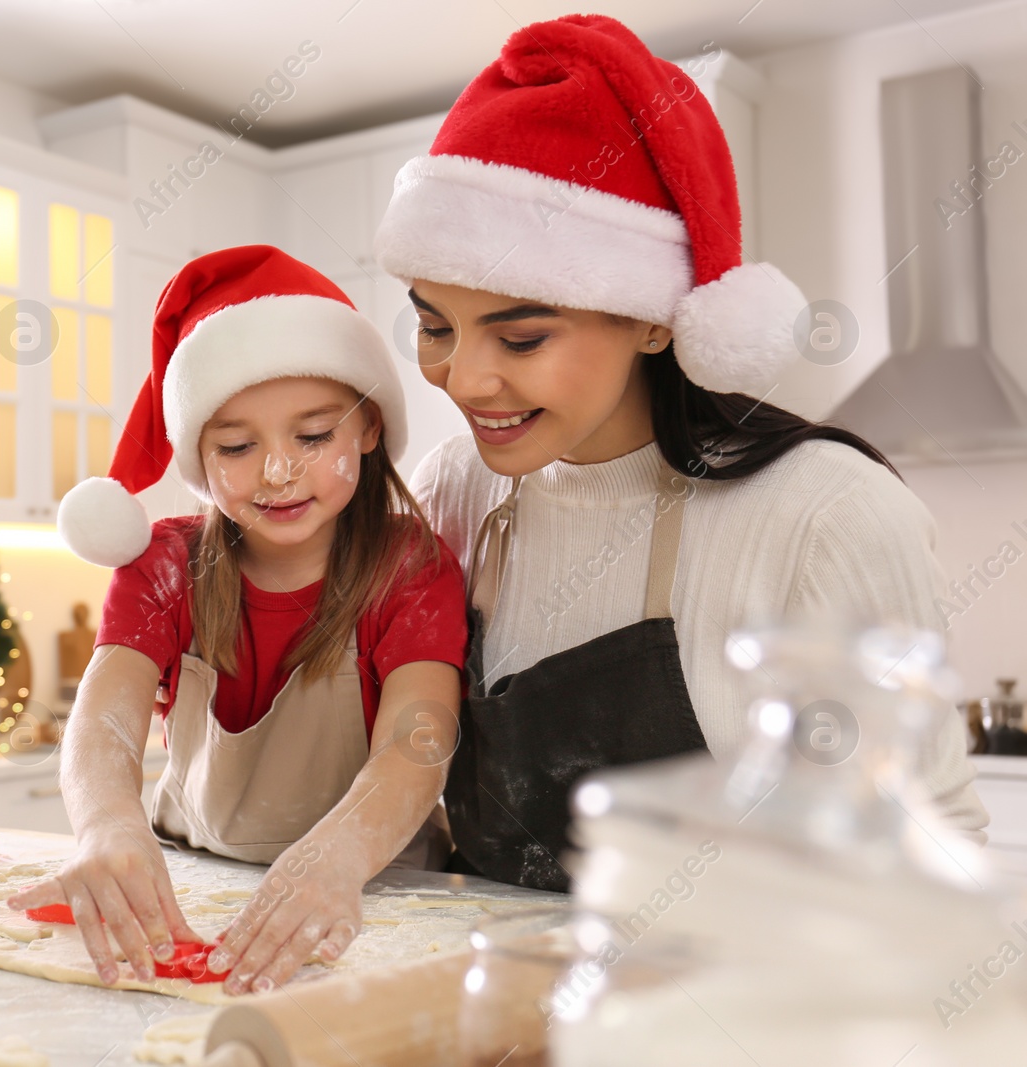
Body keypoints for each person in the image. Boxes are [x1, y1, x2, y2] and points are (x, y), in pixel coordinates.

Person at [371, 14, 987, 892]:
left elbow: (931, 853)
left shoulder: (824, 515)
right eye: (434, 326)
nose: (463, 380)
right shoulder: (454, 489)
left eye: (523, 338)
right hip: (479, 1000)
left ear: (656, 316)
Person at [9, 246, 468, 995]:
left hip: (378, 894)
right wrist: (107, 827)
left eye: (313, 436)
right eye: (237, 445)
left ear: (370, 429)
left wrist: (339, 856)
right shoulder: (164, 566)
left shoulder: (409, 566)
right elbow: (102, 721)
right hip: (198, 882)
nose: (278, 470)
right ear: (199, 453)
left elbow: (417, 743)